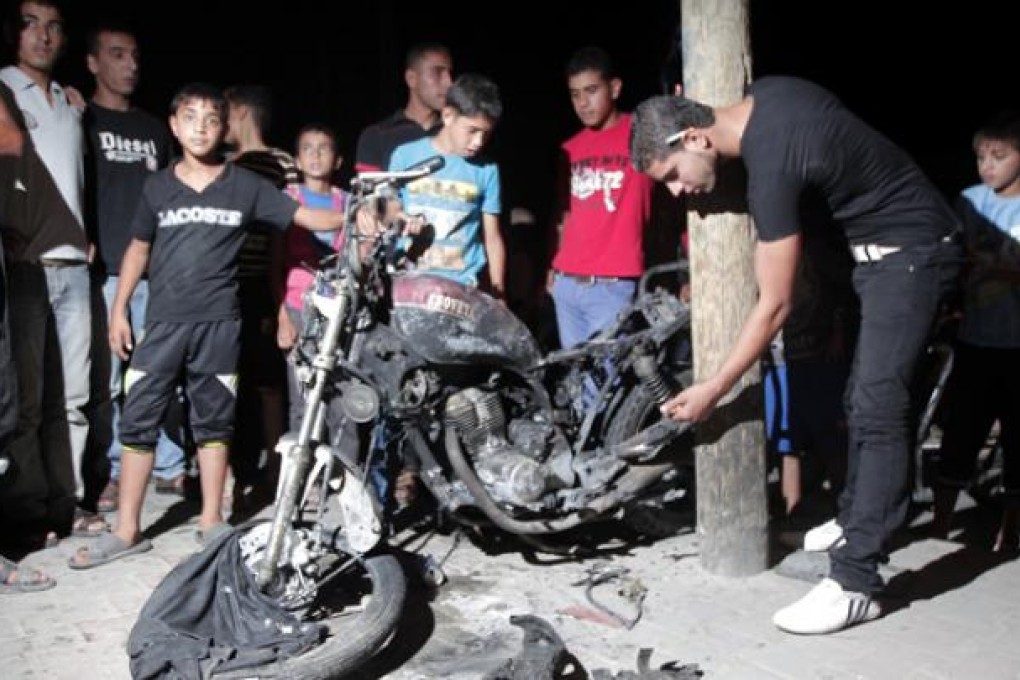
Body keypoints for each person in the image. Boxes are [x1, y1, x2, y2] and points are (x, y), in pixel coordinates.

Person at [630, 76, 962, 635]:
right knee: (861, 397)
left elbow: (774, 306)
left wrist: (714, 389)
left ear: (695, 138)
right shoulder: (769, 94)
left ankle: (857, 581)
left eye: (670, 177)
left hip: (914, 255)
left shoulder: (773, 168)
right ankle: (860, 521)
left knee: (880, 404)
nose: (676, 193)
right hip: (879, 259)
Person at [68, 83, 346, 569]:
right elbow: (138, 247)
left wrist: (360, 217)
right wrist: (119, 308)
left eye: (212, 118)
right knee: (139, 419)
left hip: (220, 326)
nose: (201, 126)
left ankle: (212, 521)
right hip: (162, 326)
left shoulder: (246, 186)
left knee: (214, 421)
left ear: (225, 129)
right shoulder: (157, 186)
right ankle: (127, 529)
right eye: (190, 117)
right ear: (173, 126)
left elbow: (306, 215)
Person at [0, 0, 104, 545]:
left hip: (72, 269)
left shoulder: (69, 103)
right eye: (31, 24)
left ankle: (69, 503)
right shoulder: (2, 89)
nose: (43, 35)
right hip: (22, 268)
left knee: (75, 396)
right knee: (25, 400)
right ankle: (28, 510)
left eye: (54, 25)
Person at [83, 20, 185, 511]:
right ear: (93, 63)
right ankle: (114, 471)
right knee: (108, 383)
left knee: (160, 376)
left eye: (135, 56)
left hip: (156, 273)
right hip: (103, 272)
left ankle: (169, 465)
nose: (130, 65)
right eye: (117, 54)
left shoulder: (150, 129)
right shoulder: (80, 118)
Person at [932, 111, 1020, 553]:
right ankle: (940, 527)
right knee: (961, 434)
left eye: (999, 156)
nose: (988, 166)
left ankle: (1009, 534)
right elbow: (951, 260)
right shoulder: (968, 201)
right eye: (982, 156)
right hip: (976, 341)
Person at [548, 46, 653, 350]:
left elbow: (672, 202)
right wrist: (552, 267)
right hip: (567, 283)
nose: (583, 103)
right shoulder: (570, 149)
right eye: (575, 94)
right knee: (576, 384)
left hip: (614, 283)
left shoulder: (642, 134)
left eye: (591, 91)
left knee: (607, 384)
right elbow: (562, 212)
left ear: (615, 88)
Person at [222, 84, 299, 502]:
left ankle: (275, 469)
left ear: (240, 112)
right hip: (224, 283)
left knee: (268, 381)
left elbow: (286, 227)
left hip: (263, 282)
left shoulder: (282, 163)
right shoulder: (224, 165)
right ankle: (234, 469)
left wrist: (279, 294)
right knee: (227, 379)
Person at [389, 72, 506, 295]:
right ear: (448, 116)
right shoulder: (405, 156)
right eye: (472, 131)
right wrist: (400, 218)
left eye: (486, 134)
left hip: (462, 286)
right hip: (412, 281)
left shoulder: (487, 170)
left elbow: (492, 236)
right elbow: (387, 208)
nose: (478, 142)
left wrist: (498, 291)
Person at [276, 122, 348, 436]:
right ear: (297, 161)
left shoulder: (348, 202)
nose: (316, 155)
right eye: (308, 148)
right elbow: (275, 262)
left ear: (338, 160)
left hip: (339, 312)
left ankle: (342, 477)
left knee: (341, 398)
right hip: (297, 309)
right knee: (302, 398)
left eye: (324, 148)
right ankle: (301, 478)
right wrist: (282, 316)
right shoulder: (287, 198)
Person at [355, 41, 453, 173]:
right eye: (437, 72)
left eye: (450, 74)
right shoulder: (377, 135)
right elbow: (369, 191)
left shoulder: (456, 133)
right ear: (411, 78)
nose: (449, 83)